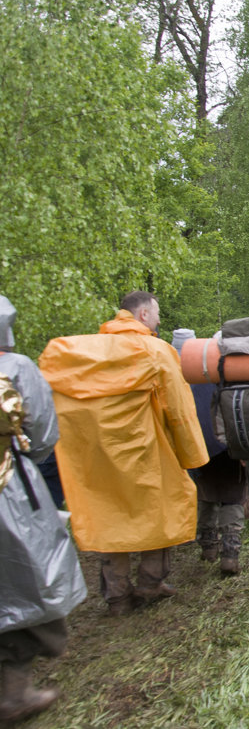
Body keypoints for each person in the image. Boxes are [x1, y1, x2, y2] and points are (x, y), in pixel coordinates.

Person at [38, 291, 208, 616]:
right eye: (156, 314)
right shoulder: (155, 350)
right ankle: (150, 582)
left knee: (107, 515)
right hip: (143, 450)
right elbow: (179, 409)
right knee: (161, 510)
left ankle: (116, 595)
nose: (158, 320)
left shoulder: (77, 353)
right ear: (143, 315)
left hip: (93, 455)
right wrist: (192, 456)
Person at [0, 296, 87, 721]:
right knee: (23, 582)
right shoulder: (16, 369)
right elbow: (43, 433)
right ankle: (14, 692)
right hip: (9, 490)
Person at [172, 329, 246, 576]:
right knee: (232, 496)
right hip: (225, 444)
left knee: (205, 495)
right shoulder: (216, 369)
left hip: (193, 443)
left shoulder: (170, 370)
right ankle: (230, 553)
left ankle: (208, 547)